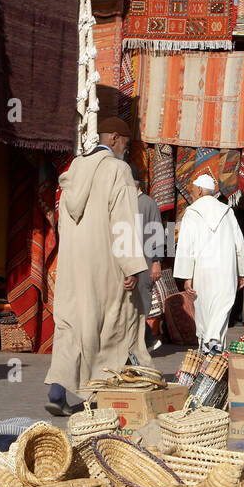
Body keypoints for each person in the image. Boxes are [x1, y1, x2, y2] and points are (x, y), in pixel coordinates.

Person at [44, 118, 149, 417]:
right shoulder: (118, 170)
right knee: (113, 324)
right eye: (126, 146)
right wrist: (130, 265)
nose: (126, 152)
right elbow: (124, 220)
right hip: (104, 263)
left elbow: (63, 221)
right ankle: (105, 393)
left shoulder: (74, 169)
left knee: (70, 327)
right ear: (114, 139)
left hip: (72, 263)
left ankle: (57, 392)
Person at [174, 173, 244, 353]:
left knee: (203, 310)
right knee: (221, 309)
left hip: (202, 270)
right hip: (225, 270)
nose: (192, 194)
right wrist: (242, 271)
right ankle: (214, 343)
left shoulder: (192, 212)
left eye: (193, 191)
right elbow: (239, 244)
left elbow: (185, 245)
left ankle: (207, 345)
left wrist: (187, 276)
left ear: (200, 190)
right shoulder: (227, 211)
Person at [130, 165, 164, 353]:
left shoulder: (148, 203)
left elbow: (157, 232)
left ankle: (147, 341)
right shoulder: (123, 202)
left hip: (144, 263)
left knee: (142, 304)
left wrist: (157, 261)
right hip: (128, 263)